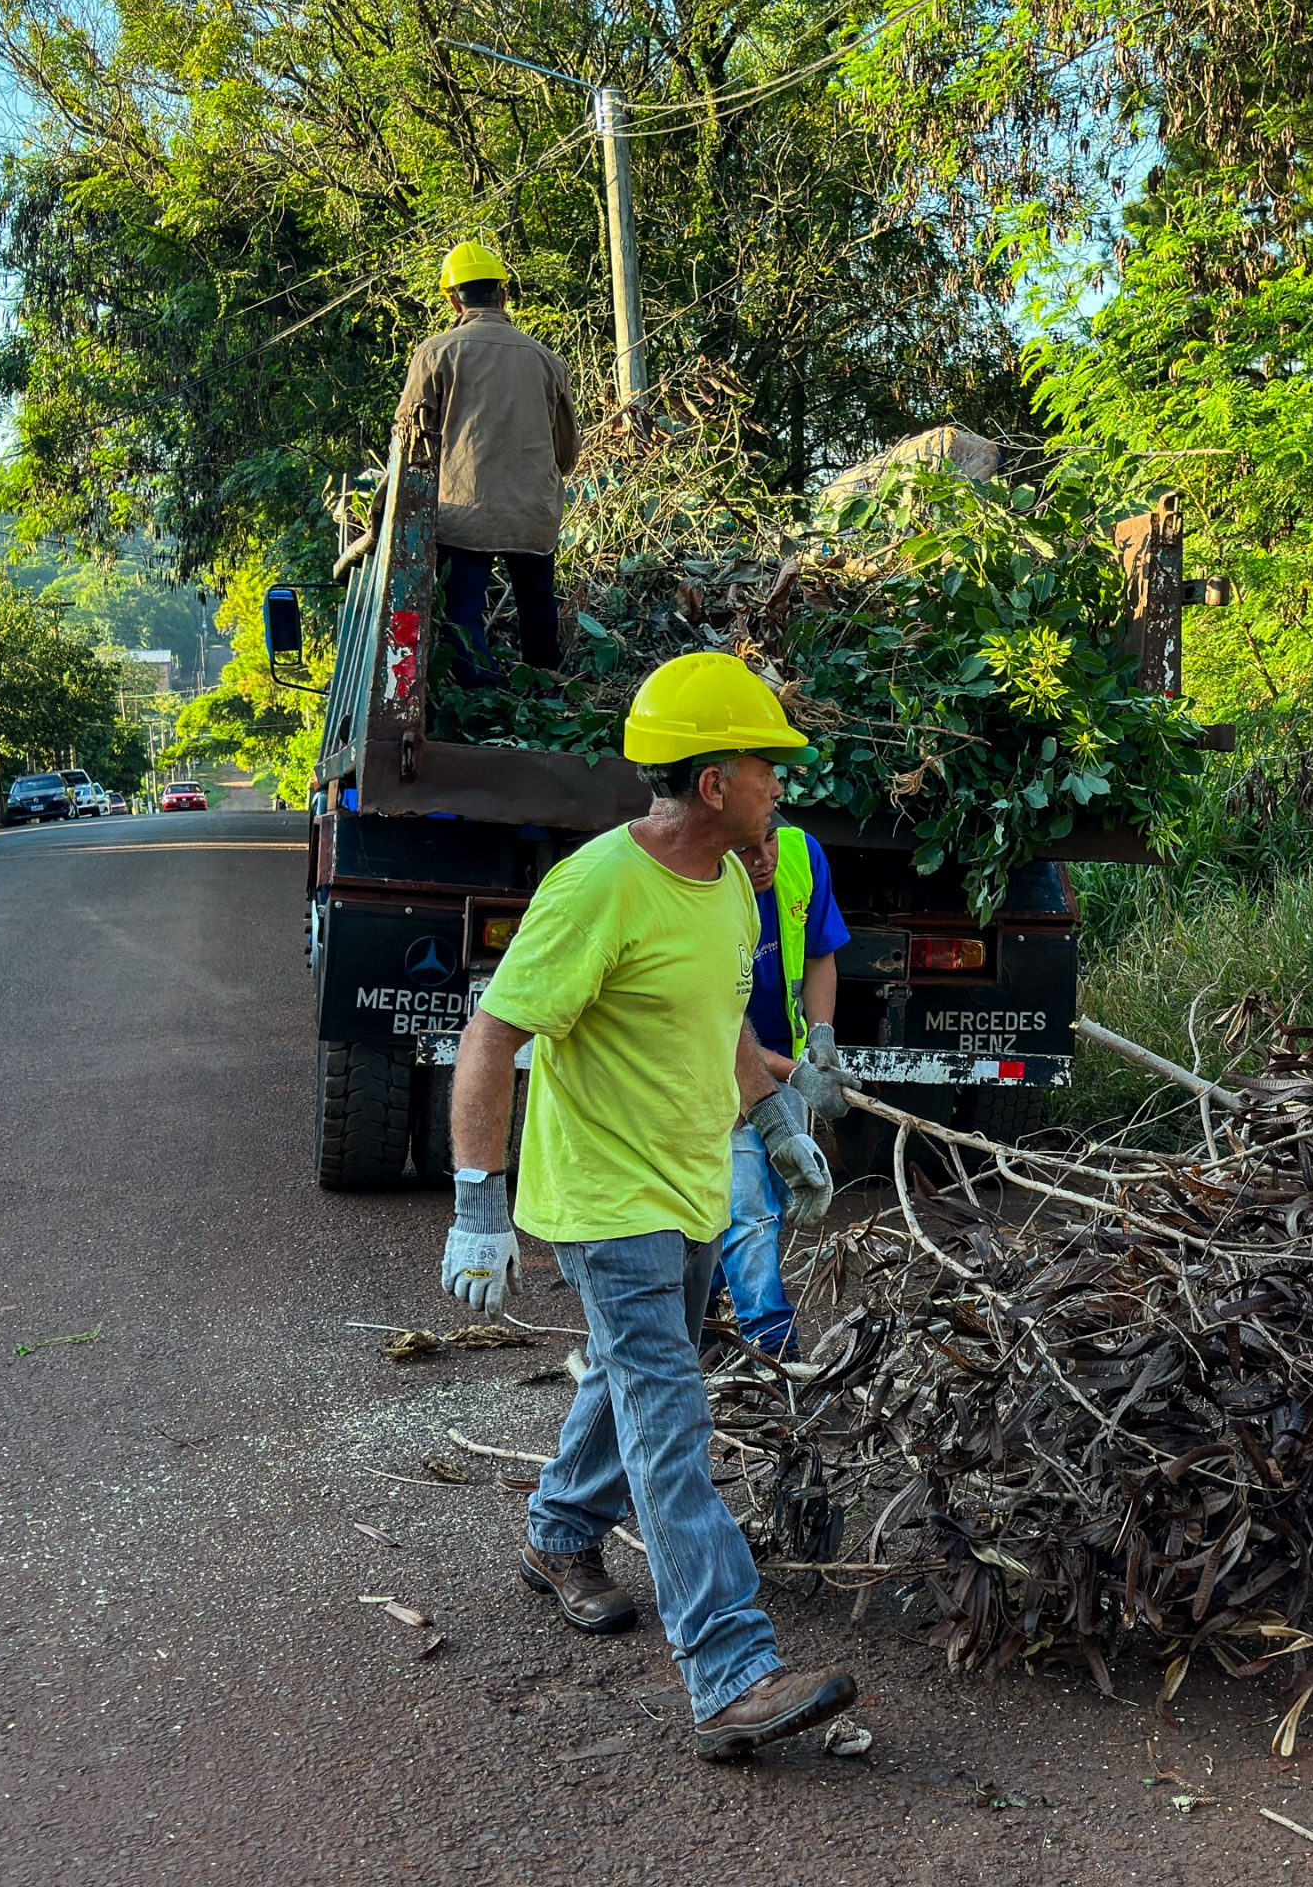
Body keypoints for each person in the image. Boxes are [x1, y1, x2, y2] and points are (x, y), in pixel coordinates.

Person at [437, 650, 854, 1760]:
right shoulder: (596, 888)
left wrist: (773, 1127)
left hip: (691, 1184)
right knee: (671, 1414)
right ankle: (731, 1672)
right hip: (605, 1201)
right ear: (712, 780)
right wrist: (480, 1201)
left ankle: (558, 1533)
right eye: (766, 765)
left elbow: (718, 1024)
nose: (780, 784)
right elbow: (493, 1036)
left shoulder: (730, 884)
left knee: (638, 1369)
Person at [395, 241, 581, 687]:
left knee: (462, 606)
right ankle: (545, 688)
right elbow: (568, 453)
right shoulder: (545, 360)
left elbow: (409, 446)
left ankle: (482, 693)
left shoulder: (436, 353)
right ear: (503, 296)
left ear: (454, 300)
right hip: (531, 518)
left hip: (462, 516)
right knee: (538, 603)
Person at [715, 812, 859, 1356]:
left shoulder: (801, 857)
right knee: (749, 1207)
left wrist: (819, 1035)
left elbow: (820, 952)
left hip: (785, 1058)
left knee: (771, 1195)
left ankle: (702, 1317)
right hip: (718, 1064)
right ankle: (771, 1344)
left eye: (769, 839)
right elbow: (720, 1031)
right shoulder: (694, 887)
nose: (765, 858)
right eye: (747, 849)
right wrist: (793, 1072)